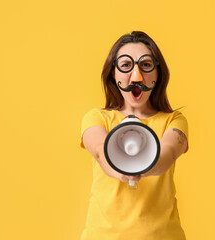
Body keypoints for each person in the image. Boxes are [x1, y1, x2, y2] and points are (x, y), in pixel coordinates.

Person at [80, 31, 189, 240]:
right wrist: (122, 170)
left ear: (157, 74)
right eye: (126, 66)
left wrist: (142, 166)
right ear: (114, 73)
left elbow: (167, 155)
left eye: (146, 65)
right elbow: (101, 151)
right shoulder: (96, 118)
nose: (136, 77)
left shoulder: (174, 120)